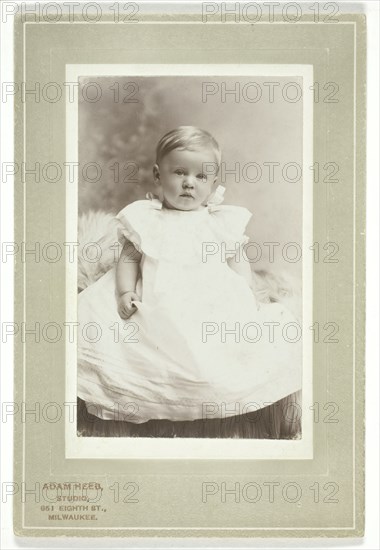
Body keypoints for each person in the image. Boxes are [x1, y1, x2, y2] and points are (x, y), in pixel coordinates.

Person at [77, 126, 302, 424]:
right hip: (158, 296)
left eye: (200, 177)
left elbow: (237, 260)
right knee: (119, 332)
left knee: (218, 347)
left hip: (209, 297)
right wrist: (124, 292)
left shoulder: (219, 223)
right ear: (158, 175)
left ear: (213, 183)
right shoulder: (147, 218)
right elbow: (128, 258)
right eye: (179, 173)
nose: (188, 183)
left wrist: (248, 295)